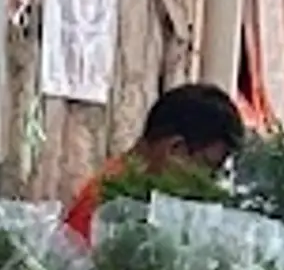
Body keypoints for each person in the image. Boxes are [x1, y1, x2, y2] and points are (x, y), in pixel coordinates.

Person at [64, 81, 245, 243]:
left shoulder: (138, 194)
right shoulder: (106, 209)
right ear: (176, 150)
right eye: (208, 168)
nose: (209, 183)